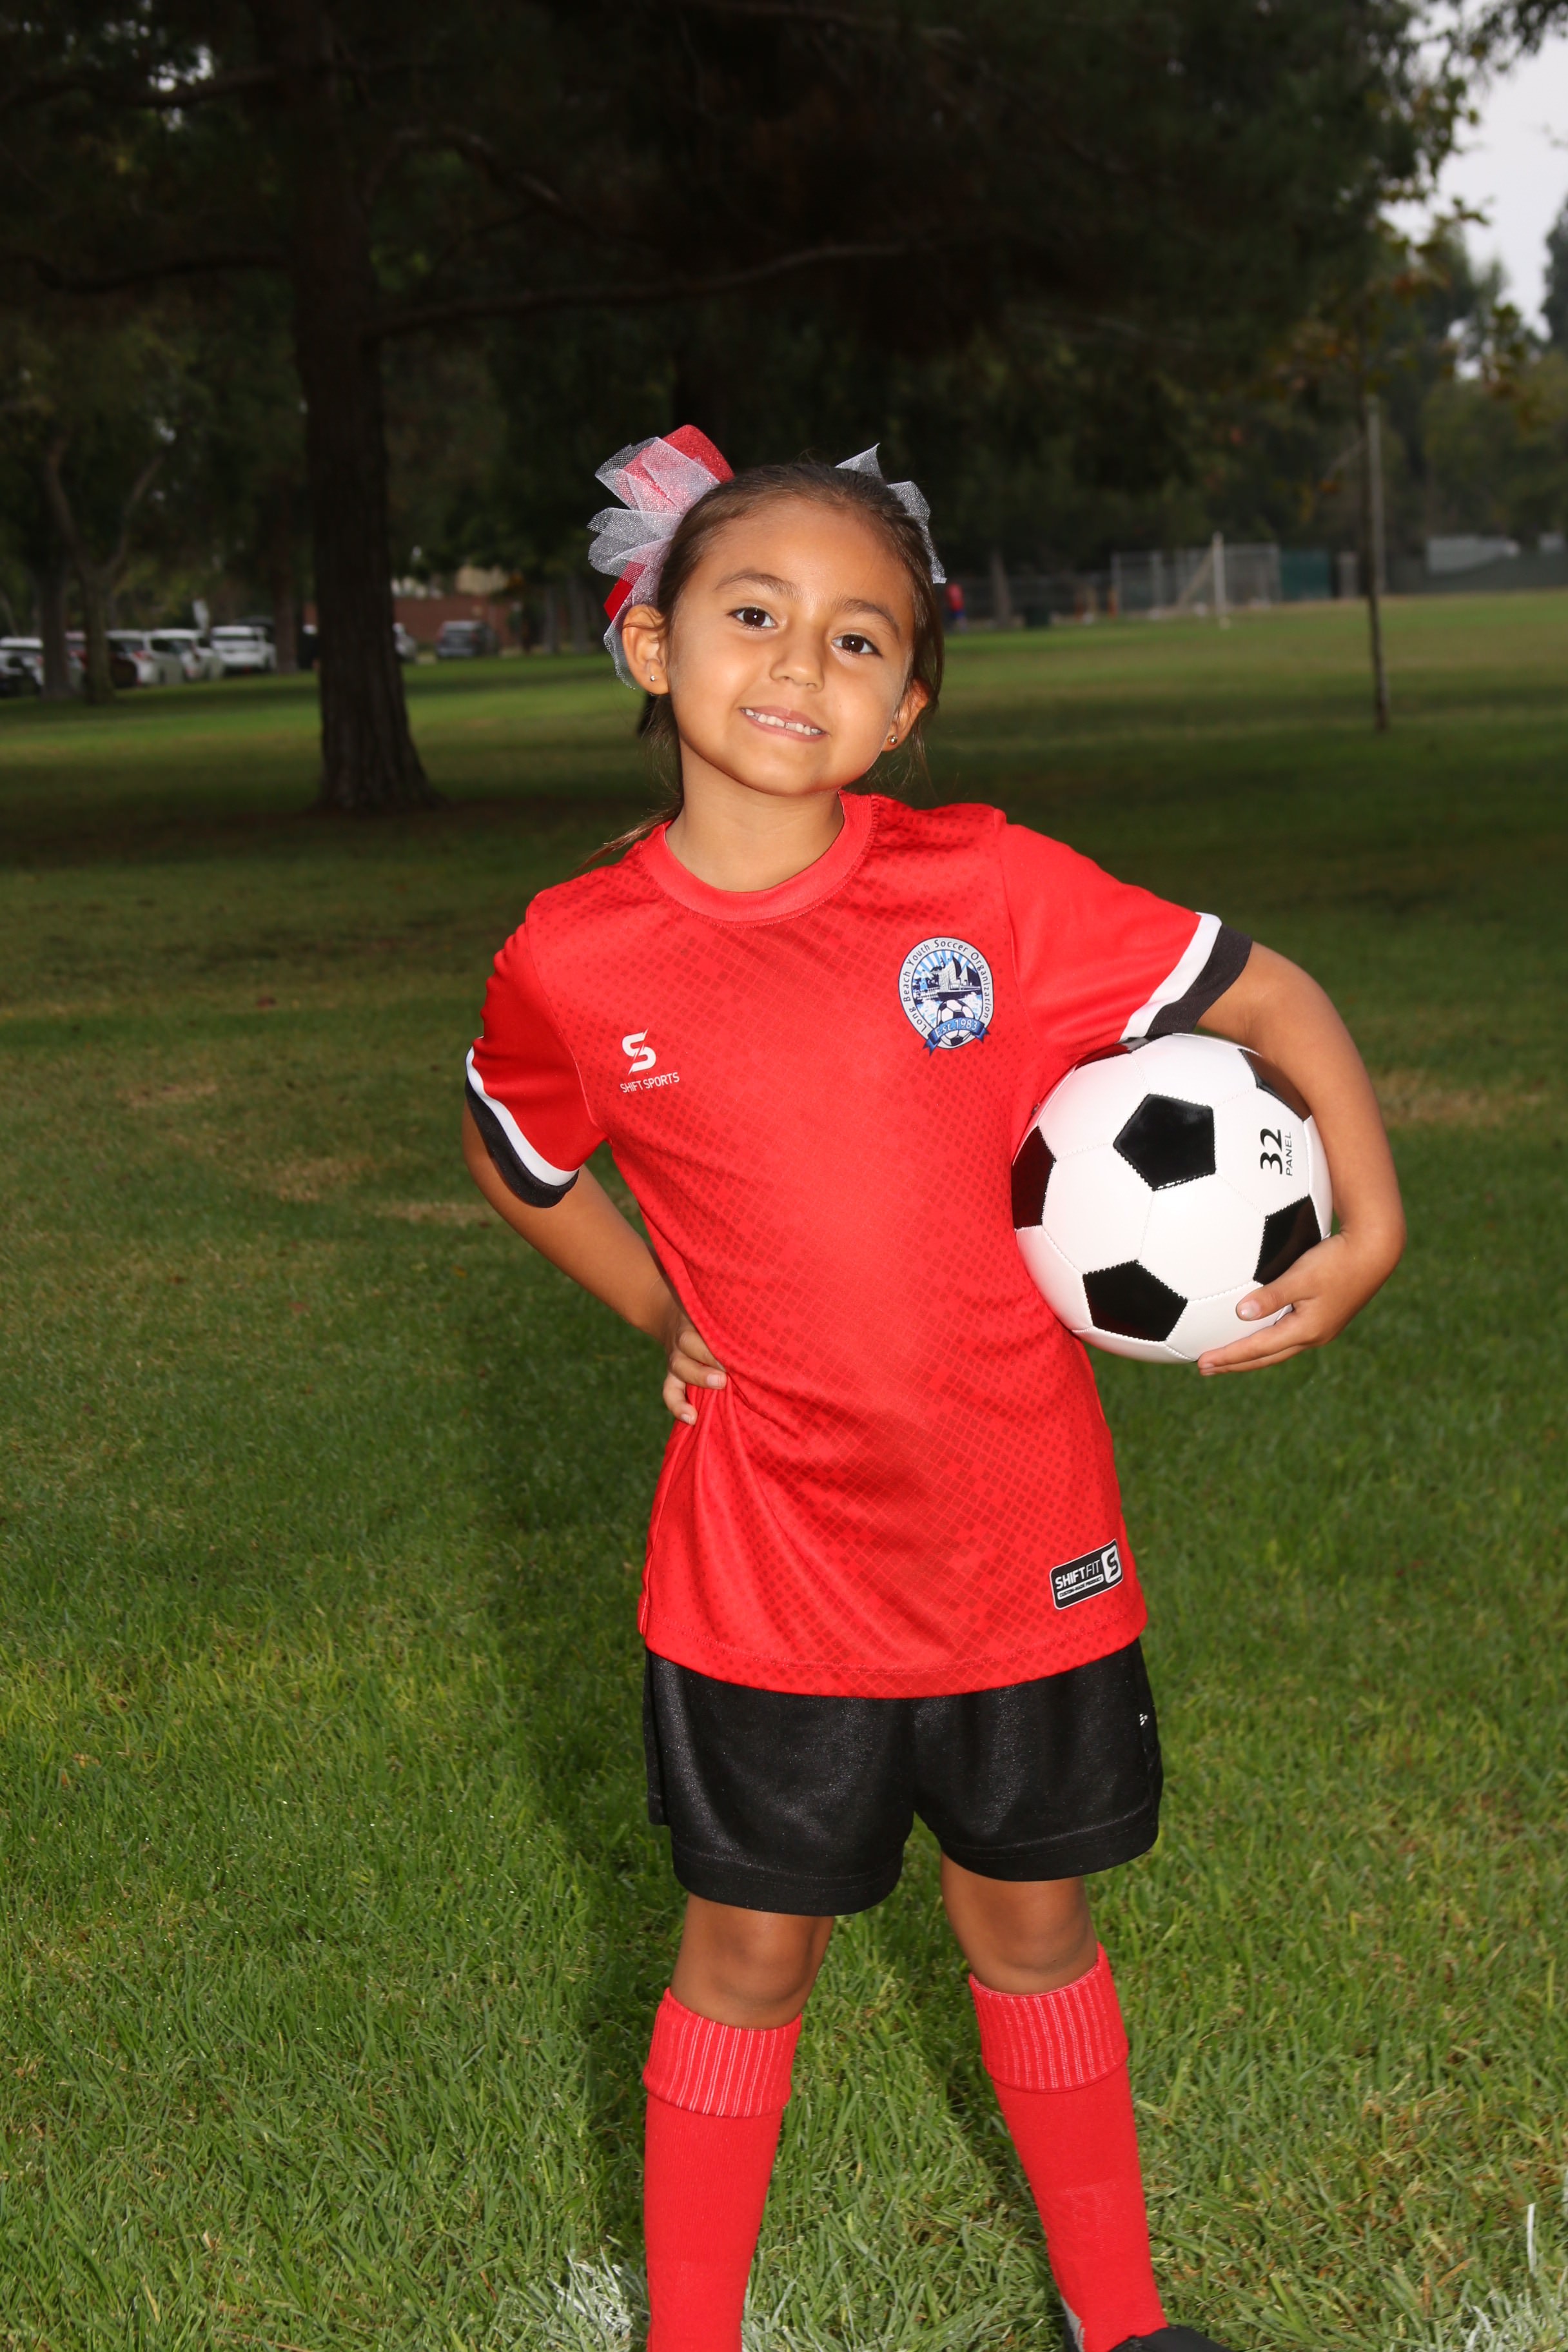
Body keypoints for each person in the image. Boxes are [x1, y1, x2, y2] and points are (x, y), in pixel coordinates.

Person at [461, 427, 1406, 2352]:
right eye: (753, 614)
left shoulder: (987, 888)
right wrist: (660, 1307)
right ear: (647, 643)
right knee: (748, 1951)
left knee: (1034, 1927)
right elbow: (513, 1148)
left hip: (1024, 1546)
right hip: (769, 1574)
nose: (799, 664)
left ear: (904, 712)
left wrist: (1369, 1220)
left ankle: (1124, 2324)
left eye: (860, 639)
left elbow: (1268, 994)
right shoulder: (576, 957)